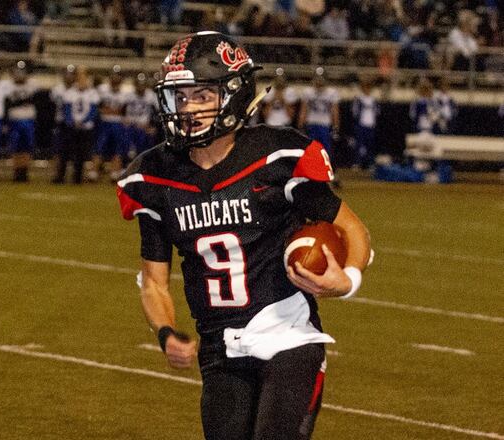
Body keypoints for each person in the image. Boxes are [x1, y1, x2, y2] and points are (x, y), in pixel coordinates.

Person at [117, 32, 371, 440]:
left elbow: (352, 229)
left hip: (288, 335)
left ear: (233, 95)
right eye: (180, 97)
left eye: (201, 95)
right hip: (219, 349)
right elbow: (154, 282)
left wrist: (349, 279)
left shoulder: (275, 157)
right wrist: (165, 332)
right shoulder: (152, 177)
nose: (188, 109)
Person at [53, 66, 99, 184]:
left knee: (81, 154)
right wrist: (72, 122)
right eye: (79, 77)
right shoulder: (69, 92)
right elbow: (66, 110)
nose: (81, 80)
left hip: (85, 128)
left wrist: (83, 122)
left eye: (83, 77)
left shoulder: (92, 93)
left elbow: (93, 111)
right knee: (65, 152)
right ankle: (60, 176)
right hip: (71, 128)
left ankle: (77, 177)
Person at [5, 60, 37, 182]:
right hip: (15, 120)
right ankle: (16, 171)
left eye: (22, 72)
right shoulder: (8, 86)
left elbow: (33, 100)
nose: (19, 74)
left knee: (27, 147)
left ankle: (24, 171)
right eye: (17, 72)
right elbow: (10, 104)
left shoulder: (32, 84)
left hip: (28, 120)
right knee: (16, 147)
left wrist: (20, 102)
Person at [350, 76, 379, 169]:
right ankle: (357, 163)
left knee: (370, 145)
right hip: (361, 125)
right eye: (365, 87)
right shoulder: (359, 98)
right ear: (362, 88)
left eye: (368, 87)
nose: (367, 89)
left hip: (370, 125)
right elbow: (354, 112)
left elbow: (377, 112)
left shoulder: (373, 100)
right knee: (359, 145)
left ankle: (370, 163)